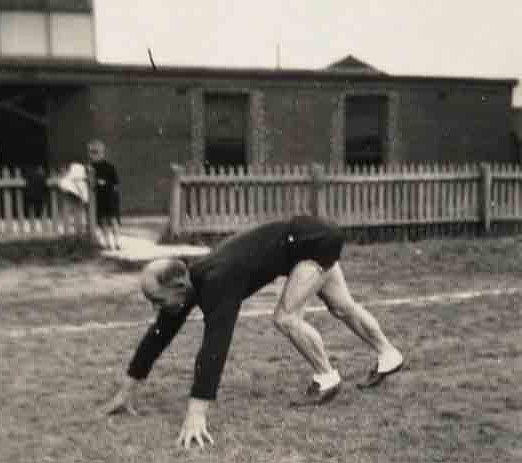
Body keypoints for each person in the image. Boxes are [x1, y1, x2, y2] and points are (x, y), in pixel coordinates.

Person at [100, 215, 404, 449]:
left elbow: (215, 346)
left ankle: (327, 378)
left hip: (312, 242)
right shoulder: (190, 282)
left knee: (285, 317)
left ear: (177, 287)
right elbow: (159, 335)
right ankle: (388, 354)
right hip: (313, 235)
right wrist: (126, 391)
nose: (156, 309)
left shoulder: (216, 282)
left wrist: (197, 412)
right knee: (342, 307)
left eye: (156, 300)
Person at [87, 139, 121, 250]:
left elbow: (116, 184)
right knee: (103, 221)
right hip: (98, 197)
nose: (93, 155)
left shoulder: (109, 167)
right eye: (92, 152)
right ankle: (107, 243)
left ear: (102, 153)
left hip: (109, 197)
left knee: (113, 220)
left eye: (96, 152)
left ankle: (116, 243)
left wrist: (105, 183)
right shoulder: (89, 168)